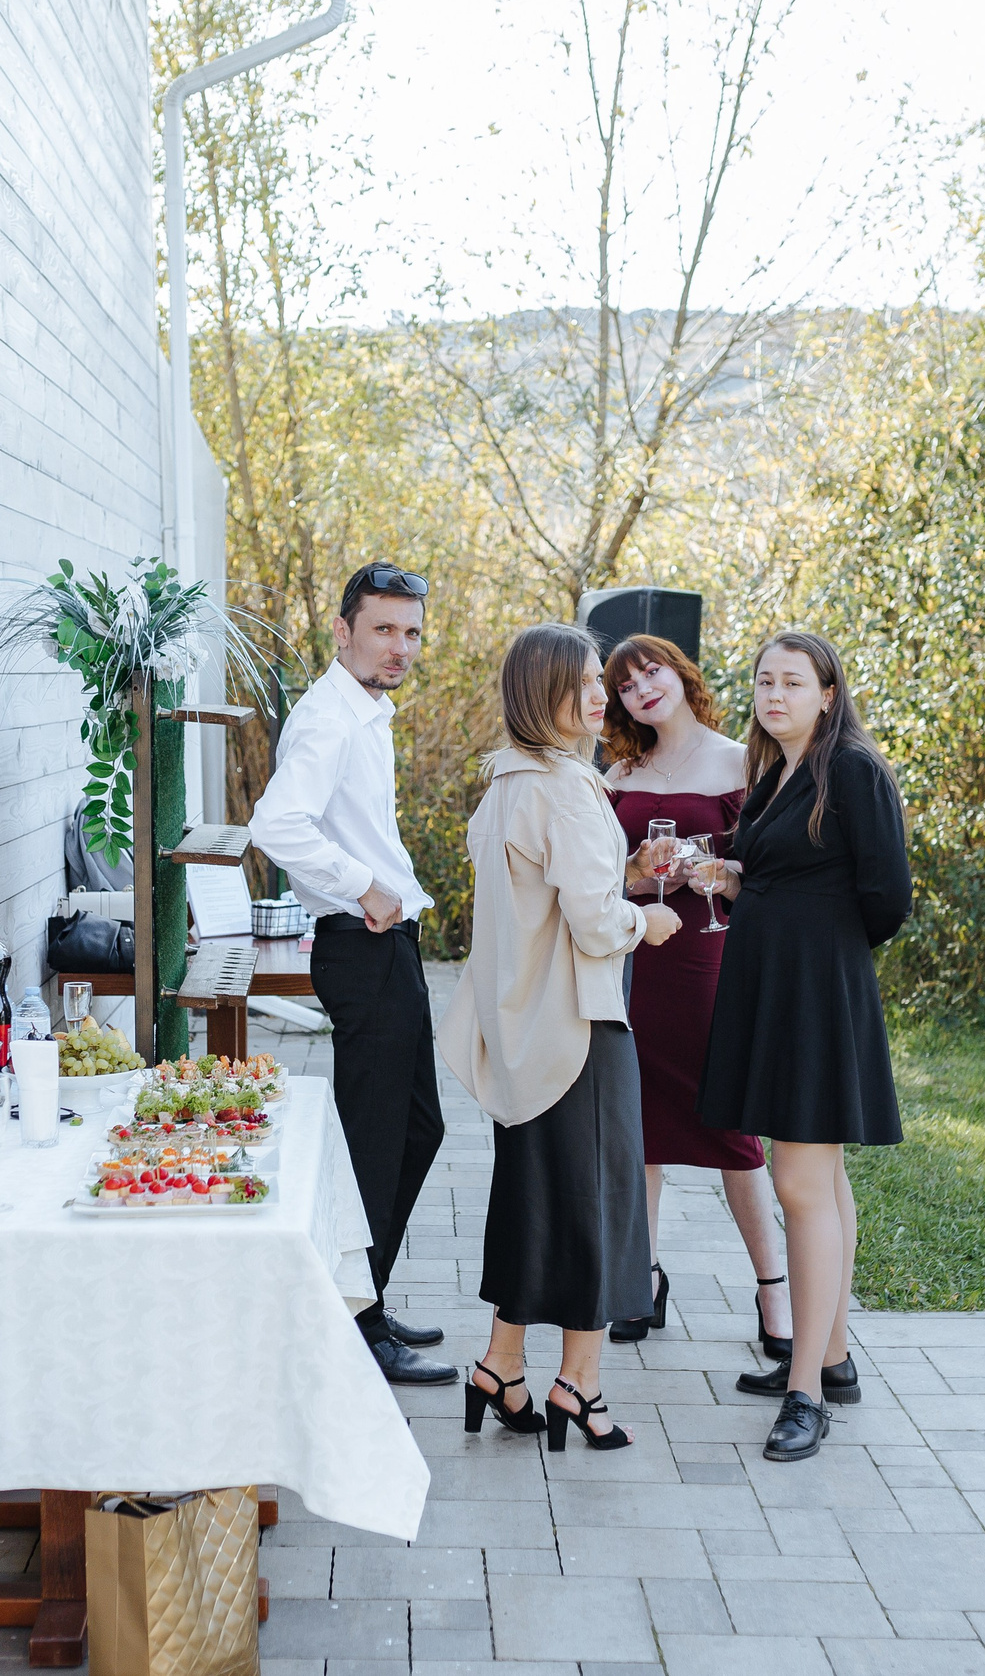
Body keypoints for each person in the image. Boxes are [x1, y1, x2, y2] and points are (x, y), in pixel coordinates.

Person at [437, 623, 682, 1452]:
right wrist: (645, 918)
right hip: (581, 1027)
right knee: (601, 1207)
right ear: (542, 692)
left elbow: (543, 892)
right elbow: (593, 922)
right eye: (581, 682)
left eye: (597, 681)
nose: (600, 695)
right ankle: (581, 1384)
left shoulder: (506, 782)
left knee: (534, 1200)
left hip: (521, 1030)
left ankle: (501, 1366)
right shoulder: (569, 788)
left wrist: (625, 874)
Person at [696, 630, 910, 1463]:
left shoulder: (851, 769)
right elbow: (780, 874)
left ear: (828, 693)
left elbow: (887, 896)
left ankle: (806, 1392)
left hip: (816, 995)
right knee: (822, 1180)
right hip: (773, 990)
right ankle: (833, 1356)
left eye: (791, 682)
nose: (774, 695)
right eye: (763, 682)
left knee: (798, 1183)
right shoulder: (777, 773)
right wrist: (728, 878)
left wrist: (821, 951)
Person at [248, 562, 453, 1385]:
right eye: (383, 629)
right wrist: (362, 884)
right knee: (376, 1138)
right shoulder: (328, 719)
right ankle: (352, 1322)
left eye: (411, 632)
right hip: (360, 945)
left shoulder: (365, 713)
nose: (400, 646)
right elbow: (276, 824)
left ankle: (362, 1298)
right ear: (343, 631)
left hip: (386, 944)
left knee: (416, 1129)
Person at [599, 635, 793, 1355]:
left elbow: (766, 870)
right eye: (625, 686)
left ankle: (774, 1290)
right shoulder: (618, 773)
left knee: (733, 1131)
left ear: (681, 675)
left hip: (708, 961)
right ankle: (642, 1278)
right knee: (639, 1126)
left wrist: (715, 872)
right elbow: (601, 876)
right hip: (632, 964)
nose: (642, 689)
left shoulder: (743, 762)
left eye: (651, 672)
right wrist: (639, 869)